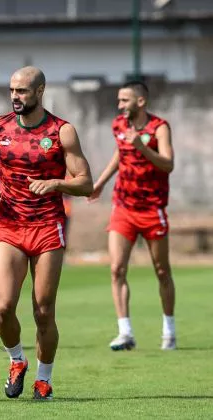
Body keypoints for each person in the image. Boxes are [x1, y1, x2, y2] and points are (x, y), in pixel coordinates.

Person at [0, 66, 93, 400]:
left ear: (40, 91)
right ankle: (17, 360)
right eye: (12, 90)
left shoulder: (62, 131)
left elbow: (86, 182)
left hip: (46, 228)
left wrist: (56, 183)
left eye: (23, 91)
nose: (16, 96)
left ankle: (44, 379)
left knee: (43, 310)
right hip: (10, 226)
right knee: (2, 307)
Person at [88, 81, 176, 351]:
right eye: (119, 100)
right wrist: (101, 182)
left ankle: (169, 330)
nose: (120, 106)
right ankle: (125, 332)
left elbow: (168, 164)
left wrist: (142, 147)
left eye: (125, 100)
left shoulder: (159, 127)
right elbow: (120, 154)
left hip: (152, 210)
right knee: (116, 269)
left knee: (161, 271)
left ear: (140, 102)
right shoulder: (119, 125)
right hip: (123, 208)